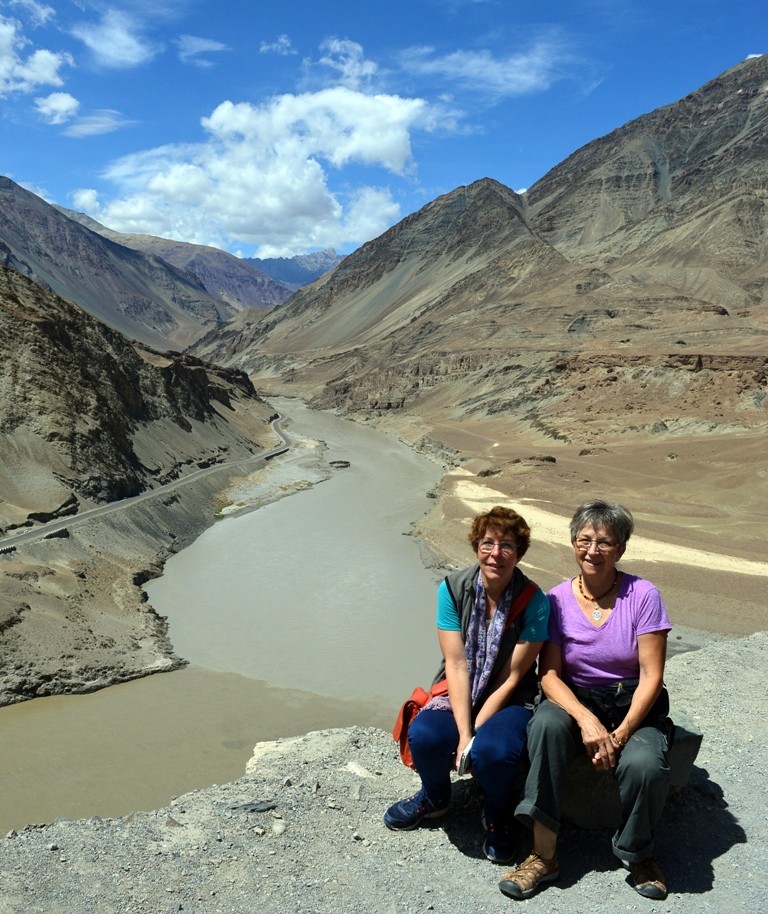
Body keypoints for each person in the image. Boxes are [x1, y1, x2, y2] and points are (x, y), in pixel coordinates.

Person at [499, 499, 672, 901]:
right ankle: (543, 855)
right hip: (576, 699)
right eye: (584, 540)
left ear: (621, 548)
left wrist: (622, 732)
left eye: (605, 542)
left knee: (645, 764)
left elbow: (651, 675)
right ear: (573, 544)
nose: (593, 551)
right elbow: (550, 674)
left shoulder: (643, 596)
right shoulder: (557, 599)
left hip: (632, 705)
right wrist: (585, 721)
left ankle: (638, 853)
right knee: (543, 725)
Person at [384, 505, 550, 864]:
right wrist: (463, 735)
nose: (496, 553)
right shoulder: (452, 589)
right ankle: (435, 797)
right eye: (488, 543)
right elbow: (456, 665)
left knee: (494, 751)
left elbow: (511, 676)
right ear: (476, 547)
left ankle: (497, 813)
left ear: (519, 553)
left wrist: (476, 732)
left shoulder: (535, 601)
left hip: (510, 697)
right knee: (426, 733)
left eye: (507, 545)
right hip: (461, 686)